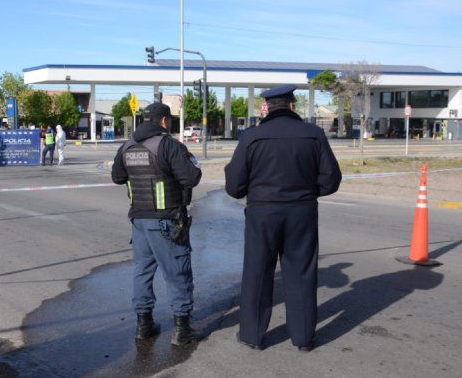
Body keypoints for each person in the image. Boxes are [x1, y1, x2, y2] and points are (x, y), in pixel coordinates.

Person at [224, 85, 342, 352]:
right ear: (292, 106)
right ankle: (303, 338)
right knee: (301, 272)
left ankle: (252, 335)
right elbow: (331, 180)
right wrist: (306, 193)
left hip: (262, 213)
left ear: (266, 107)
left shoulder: (251, 137)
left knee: (257, 272)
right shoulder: (314, 135)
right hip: (301, 212)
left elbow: (234, 187)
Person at [111, 103, 202, 346]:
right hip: (166, 221)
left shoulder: (127, 146)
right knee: (177, 272)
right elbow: (192, 177)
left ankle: (144, 325)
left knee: (142, 271)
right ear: (164, 121)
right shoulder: (169, 145)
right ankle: (182, 330)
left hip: (139, 221)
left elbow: (117, 177)